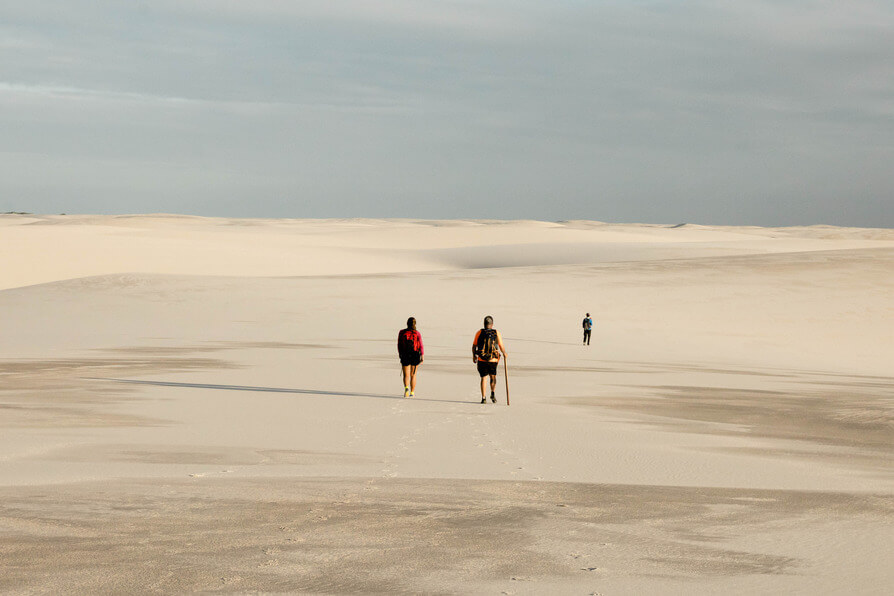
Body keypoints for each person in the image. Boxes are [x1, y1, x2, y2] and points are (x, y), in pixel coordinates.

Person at [472, 315, 507, 404]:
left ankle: (483, 398)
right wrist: (504, 353)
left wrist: (474, 356)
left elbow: (474, 346)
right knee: (493, 377)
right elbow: (501, 345)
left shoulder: (479, 332)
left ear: (484, 324)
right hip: (493, 360)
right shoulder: (496, 333)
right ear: (492, 324)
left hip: (482, 359)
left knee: (484, 378)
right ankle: (492, 392)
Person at [397, 317, 424, 397]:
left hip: (405, 354)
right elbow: (421, 345)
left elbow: (399, 345)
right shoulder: (417, 333)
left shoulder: (401, 332)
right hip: (415, 355)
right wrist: (422, 356)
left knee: (406, 375)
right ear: (415, 324)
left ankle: (406, 389)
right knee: (413, 375)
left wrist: (400, 354)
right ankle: (412, 392)